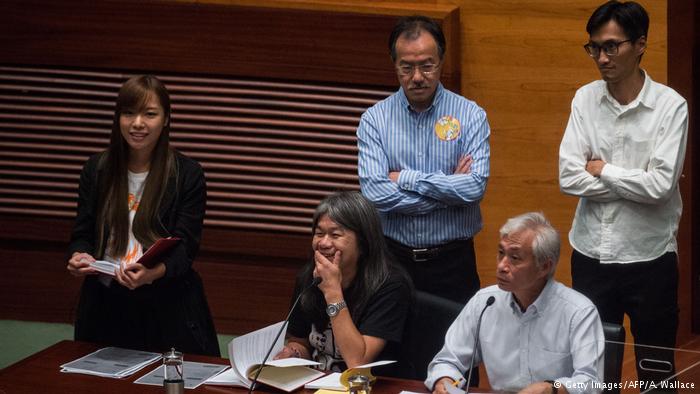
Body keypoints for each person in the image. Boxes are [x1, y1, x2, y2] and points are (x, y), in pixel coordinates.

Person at [559, 1, 687, 387]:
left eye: (611, 46)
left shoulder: (670, 106)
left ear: (641, 44)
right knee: (592, 368)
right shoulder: (584, 99)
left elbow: (661, 187)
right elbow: (568, 177)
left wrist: (603, 170)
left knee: (655, 372)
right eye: (594, 47)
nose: (601, 57)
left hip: (650, 256)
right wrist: (632, 181)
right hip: (591, 254)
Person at [66, 75, 220, 356]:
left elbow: (185, 248)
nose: (137, 123)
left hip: (167, 306)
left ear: (166, 119)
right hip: (104, 303)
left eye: (149, 114)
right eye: (128, 113)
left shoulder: (186, 175)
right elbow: (82, 234)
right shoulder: (97, 169)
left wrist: (151, 273)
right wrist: (80, 255)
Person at [357, 15, 490, 304]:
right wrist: (448, 192)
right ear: (395, 66)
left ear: (441, 61)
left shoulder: (471, 115)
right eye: (407, 67)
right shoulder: (374, 120)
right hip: (392, 261)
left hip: (453, 262)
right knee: (392, 347)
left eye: (427, 66)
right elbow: (376, 194)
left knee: (455, 347)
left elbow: (474, 188)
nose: (417, 77)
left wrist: (404, 178)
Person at [426, 212, 604, 394]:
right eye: (501, 253)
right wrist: (444, 381)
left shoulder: (579, 312)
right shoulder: (485, 302)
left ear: (545, 266)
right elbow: (447, 361)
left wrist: (553, 388)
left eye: (515, 258)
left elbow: (591, 382)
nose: (502, 266)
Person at [274, 191, 412, 374]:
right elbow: (300, 340)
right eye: (319, 233)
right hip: (319, 384)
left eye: (335, 235)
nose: (323, 243)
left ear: (363, 243)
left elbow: (357, 362)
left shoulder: (390, 286)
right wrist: (294, 354)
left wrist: (333, 293)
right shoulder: (310, 277)